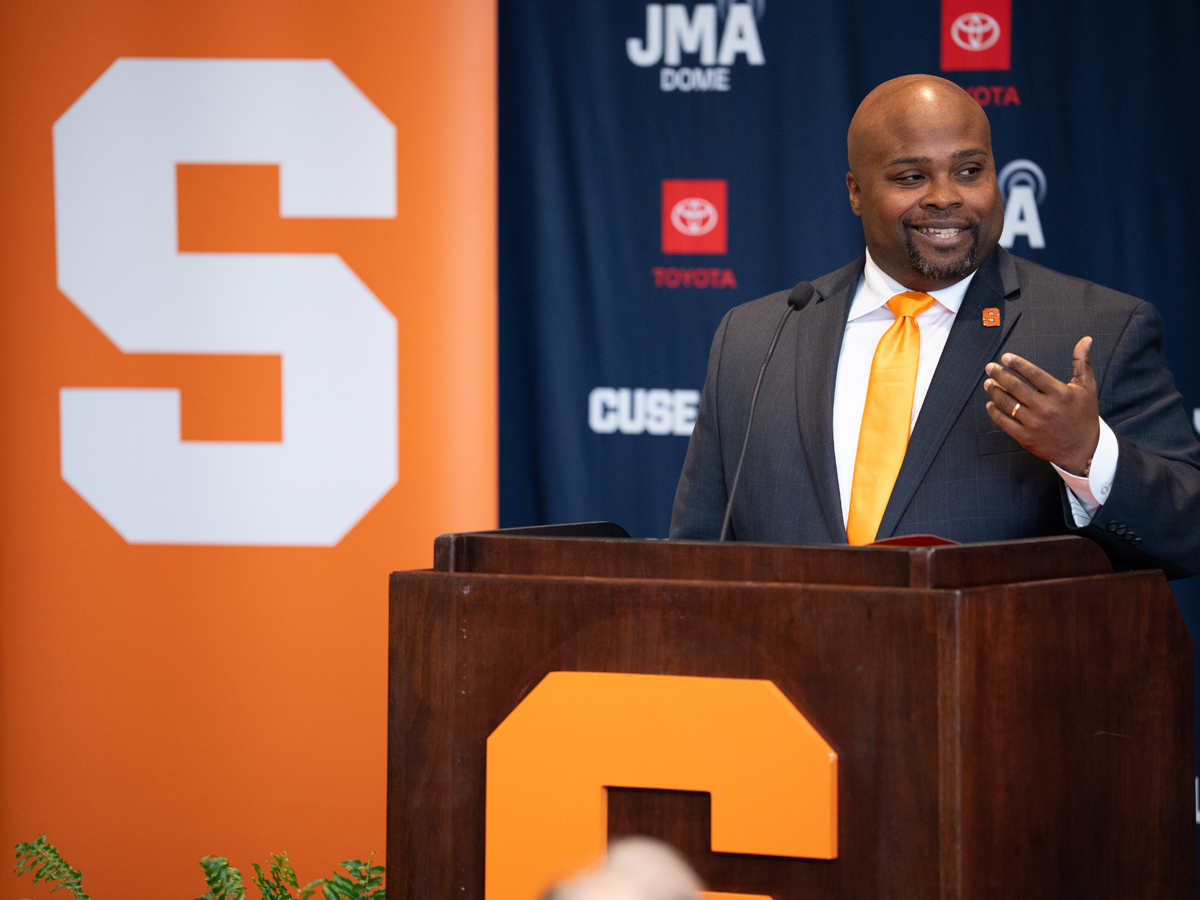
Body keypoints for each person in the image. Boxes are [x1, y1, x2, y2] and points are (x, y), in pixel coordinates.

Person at [669, 74, 1200, 578]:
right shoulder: (757, 338)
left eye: (969, 171)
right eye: (912, 177)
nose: (945, 196)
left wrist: (1089, 456)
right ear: (855, 191)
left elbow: (1188, 533)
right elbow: (696, 557)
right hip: (786, 671)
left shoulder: (1096, 329)